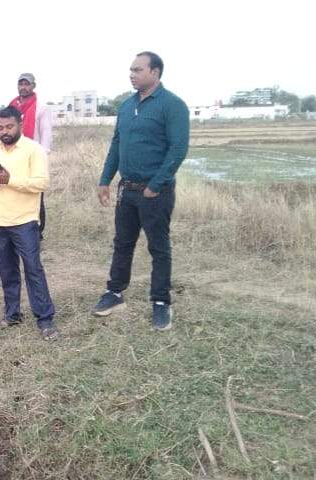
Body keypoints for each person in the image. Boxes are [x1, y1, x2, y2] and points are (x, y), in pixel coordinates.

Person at [92, 51, 189, 331]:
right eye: (131, 70)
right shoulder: (126, 106)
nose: (132, 74)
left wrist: (156, 185)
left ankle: (161, 302)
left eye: (137, 69)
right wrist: (105, 179)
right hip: (127, 190)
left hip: (154, 192)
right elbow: (116, 145)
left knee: (158, 248)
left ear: (155, 73)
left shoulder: (172, 105)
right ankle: (114, 293)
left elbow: (178, 149)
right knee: (122, 243)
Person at [0, 107, 59, 340]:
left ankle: (45, 319)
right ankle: (12, 313)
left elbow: (41, 183)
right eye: (0, 128)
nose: (4, 131)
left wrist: (11, 180)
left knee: (33, 269)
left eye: (9, 126)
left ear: (20, 124)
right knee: (7, 271)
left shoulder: (34, 150)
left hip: (24, 221)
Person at [9, 73, 53, 238]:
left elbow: (46, 137)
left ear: (33, 86)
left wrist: (40, 161)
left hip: (33, 160)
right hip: (13, 159)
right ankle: (17, 231)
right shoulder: (12, 107)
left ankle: (37, 234)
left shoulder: (41, 108)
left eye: (27, 84)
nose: (23, 87)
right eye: (20, 84)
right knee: (15, 195)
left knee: (35, 198)